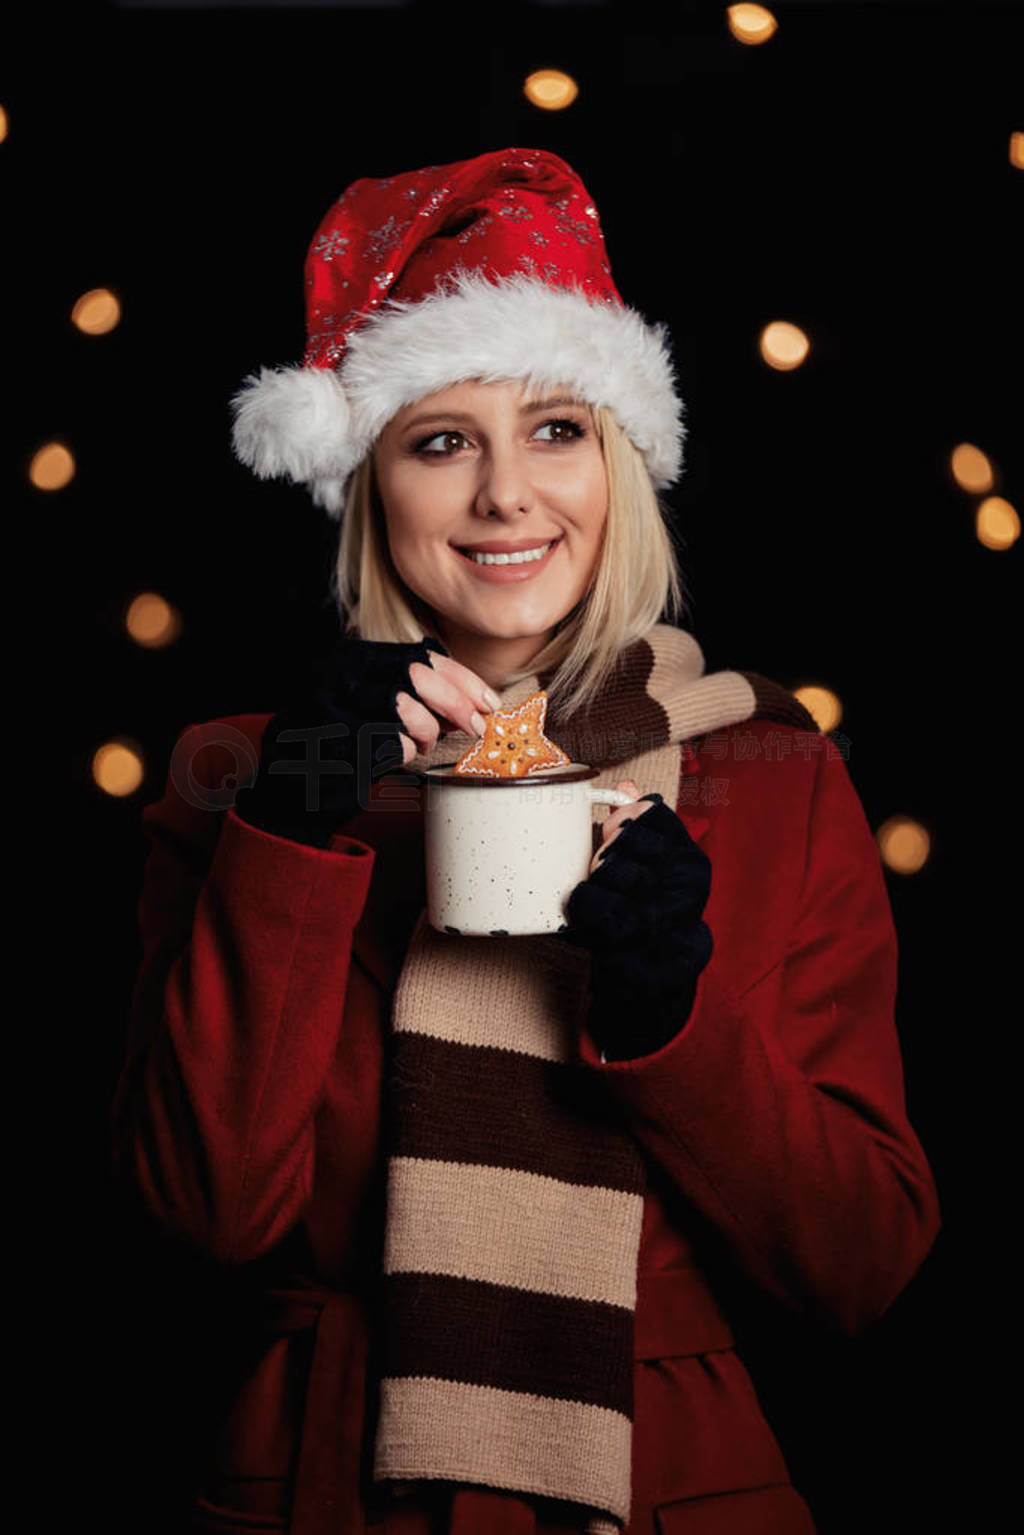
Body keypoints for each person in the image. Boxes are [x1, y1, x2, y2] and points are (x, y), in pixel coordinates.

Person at [111, 148, 940, 1535]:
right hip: (325, 1474)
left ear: (620, 466)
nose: (506, 496)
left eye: (557, 430)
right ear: (370, 483)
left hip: (662, 1480)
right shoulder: (241, 779)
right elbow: (200, 1217)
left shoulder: (775, 778)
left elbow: (863, 1268)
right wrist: (288, 828)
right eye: (442, 440)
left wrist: (673, 1020)